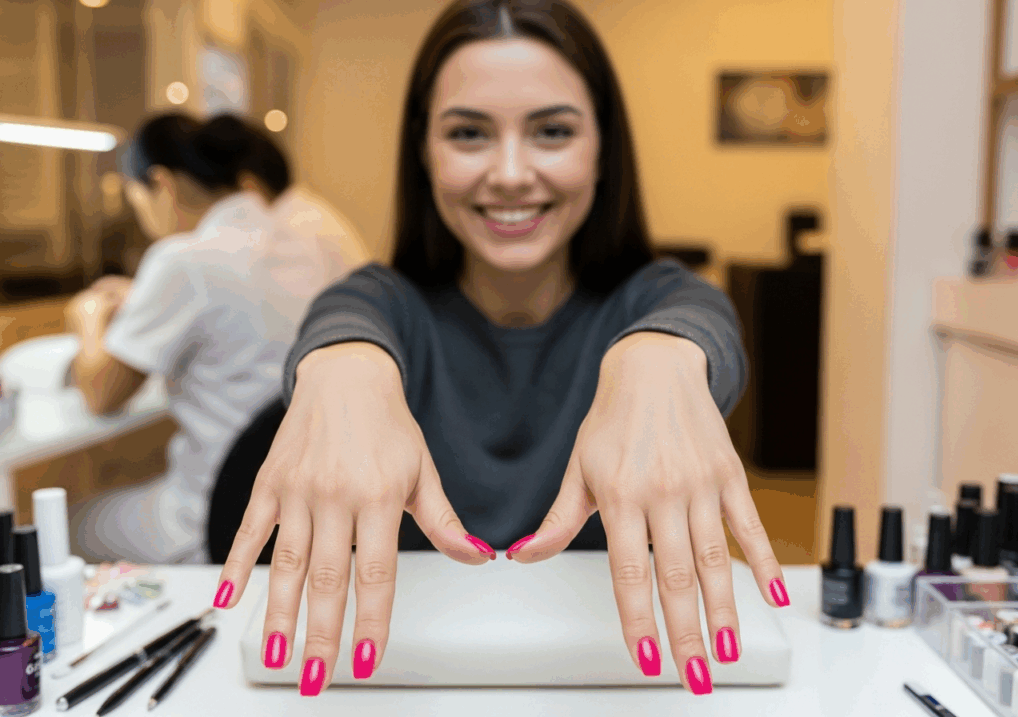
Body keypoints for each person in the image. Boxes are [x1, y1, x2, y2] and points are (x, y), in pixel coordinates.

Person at [214, 0, 787, 698]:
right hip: (415, 686)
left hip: (607, 690)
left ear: (602, 149)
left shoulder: (657, 294)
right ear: (424, 152)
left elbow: (701, 319)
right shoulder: (382, 299)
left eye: (551, 131)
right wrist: (341, 369)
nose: (511, 173)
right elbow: (344, 322)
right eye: (468, 133)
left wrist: (663, 357)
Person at [65, 112, 366, 565]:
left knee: (60, 527)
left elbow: (101, 394)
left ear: (161, 185)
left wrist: (87, 318)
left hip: (213, 516)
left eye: (137, 200)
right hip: (310, 508)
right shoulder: (307, 244)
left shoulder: (182, 260)